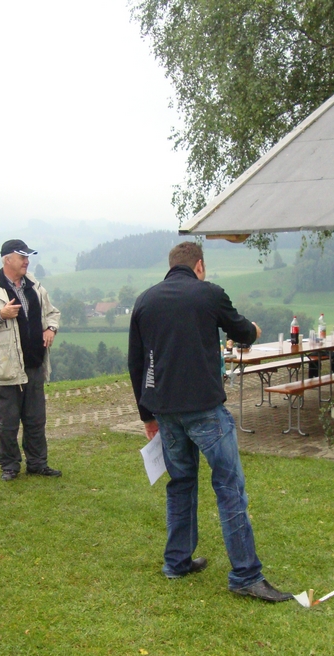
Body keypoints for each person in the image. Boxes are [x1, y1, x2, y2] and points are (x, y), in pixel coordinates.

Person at [128, 241, 292, 603]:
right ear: (199, 266)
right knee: (229, 486)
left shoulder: (144, 301)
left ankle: (177, 562)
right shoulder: (209, 294)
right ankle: (246, 575)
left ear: (171, 266)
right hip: (204, 409)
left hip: (166, 411)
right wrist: (254, 330)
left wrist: (146, 415)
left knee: (181, 484)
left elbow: (136, 362)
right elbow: (242, 332)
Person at [0, 240, 61, 482]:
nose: (27, 261)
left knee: (36, 420)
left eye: (28, 257)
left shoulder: (35, 286)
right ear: (7, 259)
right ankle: (9, 466)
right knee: (7, 423)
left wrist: (51, 328)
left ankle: (38, 464)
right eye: (22, 257)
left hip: (34, 364)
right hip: (5, 368)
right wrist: (0, 315)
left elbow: (52, 313)